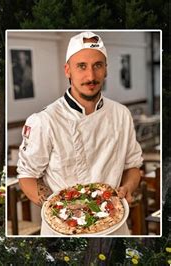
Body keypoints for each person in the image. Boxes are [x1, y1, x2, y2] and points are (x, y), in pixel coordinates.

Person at [16, 32, 143, 235]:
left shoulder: (121, 114)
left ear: (106, 70)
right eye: (81, 66)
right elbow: (27, 176)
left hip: (115, 227)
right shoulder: (44, 120)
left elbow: (132, 166)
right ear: (68, 70)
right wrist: (59, 208)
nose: (90, 76)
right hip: (62, 231)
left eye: (97, 66)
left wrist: (127, 186)